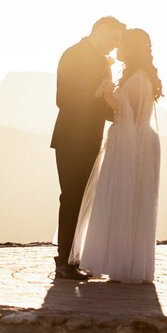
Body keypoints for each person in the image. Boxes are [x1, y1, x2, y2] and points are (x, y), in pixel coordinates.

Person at [69, 28, 163, 283]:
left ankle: (119, 263)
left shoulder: (137, 78)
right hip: (140, 140)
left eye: (122, 44)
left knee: (119, 199)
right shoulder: (141, 76)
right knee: (131, 201)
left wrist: (106, 94)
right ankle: (127, 262)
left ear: (131, 48)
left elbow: (126, 110)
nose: (118, 48)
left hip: (128, 142)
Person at [50, 16, 126, 280]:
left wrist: (123, 109)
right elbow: (62, 99)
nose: (116, 45)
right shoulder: (73, 54)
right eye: (113, 38)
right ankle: (63, 263)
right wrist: (95, 94)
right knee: (71, 197)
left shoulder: (105, 63)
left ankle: (75, 257)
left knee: (84, 199)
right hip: (70, 138)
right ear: (100, 31)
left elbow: (101, 107)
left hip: (91, 139)